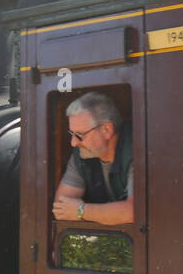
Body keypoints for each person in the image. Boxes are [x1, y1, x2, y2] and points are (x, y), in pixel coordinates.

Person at [51, 92, 133, 225]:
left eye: (80, 134)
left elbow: (134, 212)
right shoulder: (81, 154)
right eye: (72, 134)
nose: (73, 143)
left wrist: (81, 211)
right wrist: (105, 213)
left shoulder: (137, 150)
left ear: (106, 130)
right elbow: (61, 208)